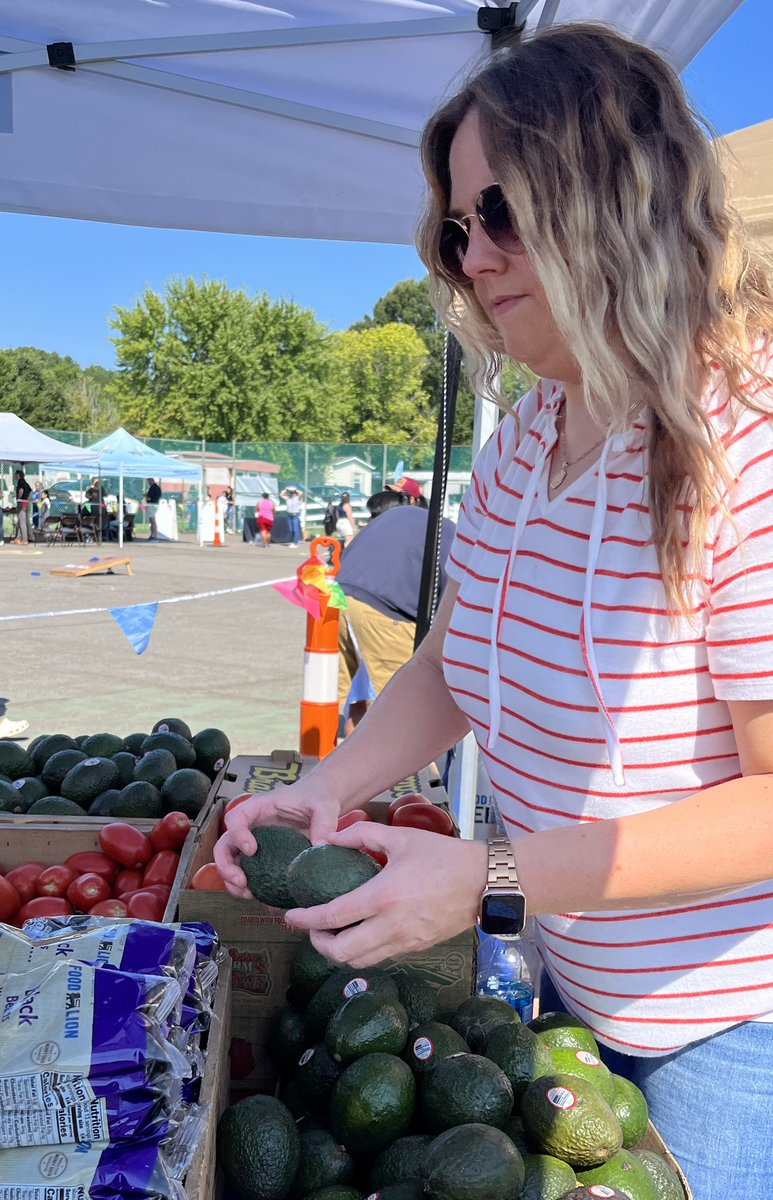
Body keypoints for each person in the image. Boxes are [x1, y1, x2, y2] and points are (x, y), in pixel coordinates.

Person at [215, 23, 773, 1195]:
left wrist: (488, 877)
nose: (471, 257)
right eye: (455, 227)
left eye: (500, 214)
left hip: (729, 1031)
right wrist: (325, 786)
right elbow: (452, 669)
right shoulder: (526, 436)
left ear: (610, 196)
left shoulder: (745, 445)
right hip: (569, 978)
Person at [337, 490, 456, 733]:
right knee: (401, 711)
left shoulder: (393, 519)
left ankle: (330, 761)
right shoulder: (448, 533)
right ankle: (385, 769)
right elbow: (451, 602)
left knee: (342, 697)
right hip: (385, 612)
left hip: (337, 602)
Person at [13, 469, 31, 544]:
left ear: (18, 475)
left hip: (21, 502)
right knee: (20, 521)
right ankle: (18, 538)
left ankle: (25, 539)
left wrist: (19, 498)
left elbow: (21, 490)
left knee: (22, 522)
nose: (14, 476)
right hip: (25, 502)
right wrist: (27, 499)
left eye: (15, 474)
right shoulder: (25, 483)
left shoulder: (20, 482)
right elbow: (31, 491)